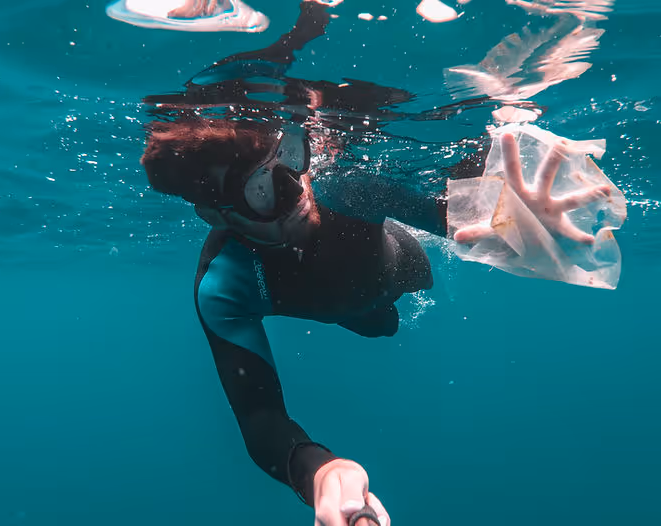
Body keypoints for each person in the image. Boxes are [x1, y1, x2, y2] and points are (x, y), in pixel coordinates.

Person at [137, 2, 612, 526]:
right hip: (357, 304)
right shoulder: (224, 284)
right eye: (260, 189)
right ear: (215, 213)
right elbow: (261, 419)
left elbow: (463, 221)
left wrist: (515, 217)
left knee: (391, 303)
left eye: (292, 157)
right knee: (378, 326)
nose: (296, 187)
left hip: (399, 264)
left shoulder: (349, 191)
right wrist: (321, 472)